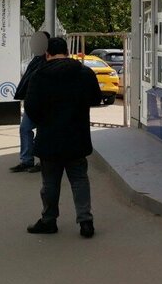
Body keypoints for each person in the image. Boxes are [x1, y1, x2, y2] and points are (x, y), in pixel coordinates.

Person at [23, 36, 102, 238]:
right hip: (77, 136)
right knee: (79, 179)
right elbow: (95, 98)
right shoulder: (84, 72)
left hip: (49, 137)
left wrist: (45, 121)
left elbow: (30, 107)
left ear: (47, 53)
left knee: (50, 182)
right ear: (67, 52)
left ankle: (49, 221)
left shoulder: (39, 75)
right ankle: (85, 222)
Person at [10, 31, 51, 173]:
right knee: (25, 128)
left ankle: (42, 161)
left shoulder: (49, 60)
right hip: (31, 101)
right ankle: (27, 160)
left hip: (43, 103)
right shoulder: (36, 59)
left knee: (42, 131)